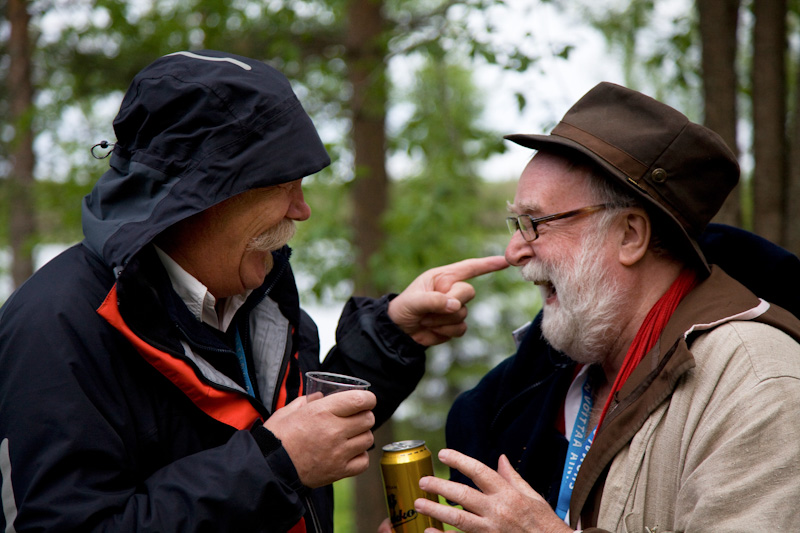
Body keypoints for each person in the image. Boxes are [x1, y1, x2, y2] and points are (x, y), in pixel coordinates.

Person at [0, 50, 507, 532]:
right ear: (204, 193)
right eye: (282, 184)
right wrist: (277, 464)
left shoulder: (255, 288)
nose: (302, 209)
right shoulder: (56, 327)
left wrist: (392, 336)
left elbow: (292, 422)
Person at [399, 82, 800, 532]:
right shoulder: (552, 377)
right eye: (515, 223)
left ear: (630, 235)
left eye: (535, 223)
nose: (514, 250)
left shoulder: (761, 382)